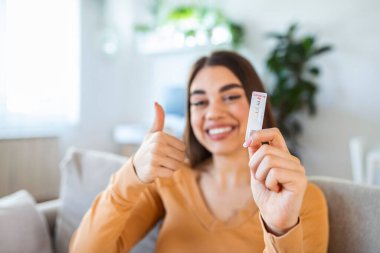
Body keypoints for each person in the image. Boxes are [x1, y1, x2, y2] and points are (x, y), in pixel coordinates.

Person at [70, 51, 328, 253]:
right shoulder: (170, 181)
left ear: (256, 106)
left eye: (229, 97)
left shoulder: (300, 198)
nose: (213, 113)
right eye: (200, 102)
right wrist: (133, 173)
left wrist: (280, 229)